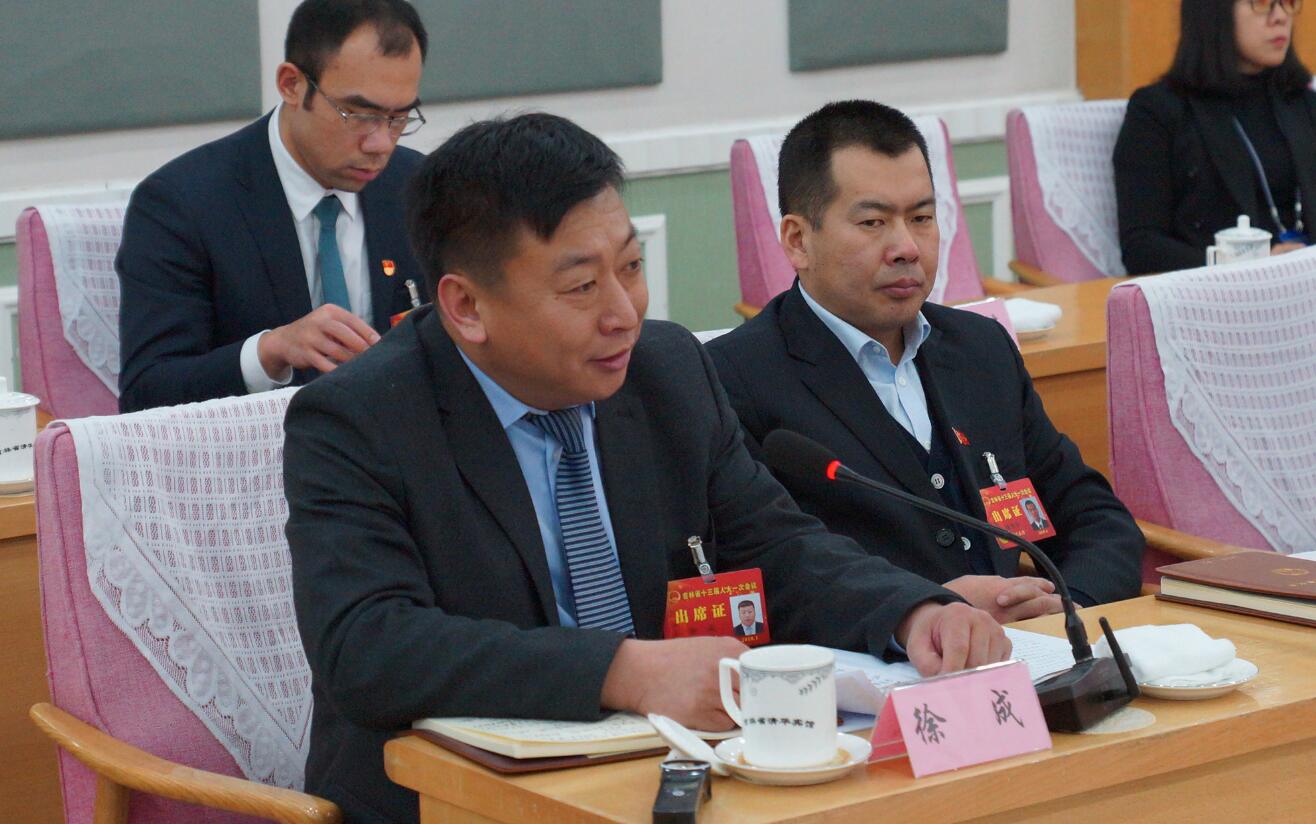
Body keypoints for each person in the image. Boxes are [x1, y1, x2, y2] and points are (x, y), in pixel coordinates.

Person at [283, 112, 1011, 822]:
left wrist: (911, 610)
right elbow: (368, 644)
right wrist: (621, 670)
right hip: (452, 798)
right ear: (467, 306)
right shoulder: (360, 418)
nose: (623, 313)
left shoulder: (666, 370)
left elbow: (777, 544)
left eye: (630, 268)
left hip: (669, 776)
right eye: (581, 287)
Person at [708, 100, 1144, 625]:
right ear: (798, 240)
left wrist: (1068, 611)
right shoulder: (732, 380)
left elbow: (1095, 517)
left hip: (1035, 650)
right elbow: (774, 574)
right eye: (873, 222)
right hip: (884, 662)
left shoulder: (980, 349)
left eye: (921, 218)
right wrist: (923, 614)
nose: (907, 248)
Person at [116, 0, 429, 412]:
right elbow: (147, 392)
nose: (381, 144)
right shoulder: (181, 204)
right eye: (358, 115)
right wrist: (270, 351)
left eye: (399, 118)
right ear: (291, 84)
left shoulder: (419, 186)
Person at [1114, 0, 1315, 275]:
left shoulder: (1304, 104)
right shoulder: (1158, 111)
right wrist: (1247, 265)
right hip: (1213, 292)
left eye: (1288, 2)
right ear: (1213, 11)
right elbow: (1141, 247)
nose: (1280, 17)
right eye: (1262, 3)